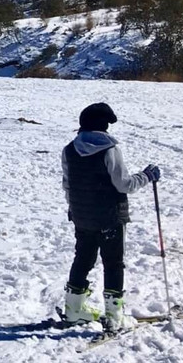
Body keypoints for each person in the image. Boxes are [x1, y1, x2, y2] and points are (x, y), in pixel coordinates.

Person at [61, 103, 161, 329]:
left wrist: (74, 208)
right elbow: (124, 185)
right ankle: (115, 317)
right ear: (104, 126)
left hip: (82, 215)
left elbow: (68, 184)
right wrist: (146, 176)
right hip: (109, 216)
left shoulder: (69, 149)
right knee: (113, 263)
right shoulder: (109, 150)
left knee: (83, 258)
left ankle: (74, 309)